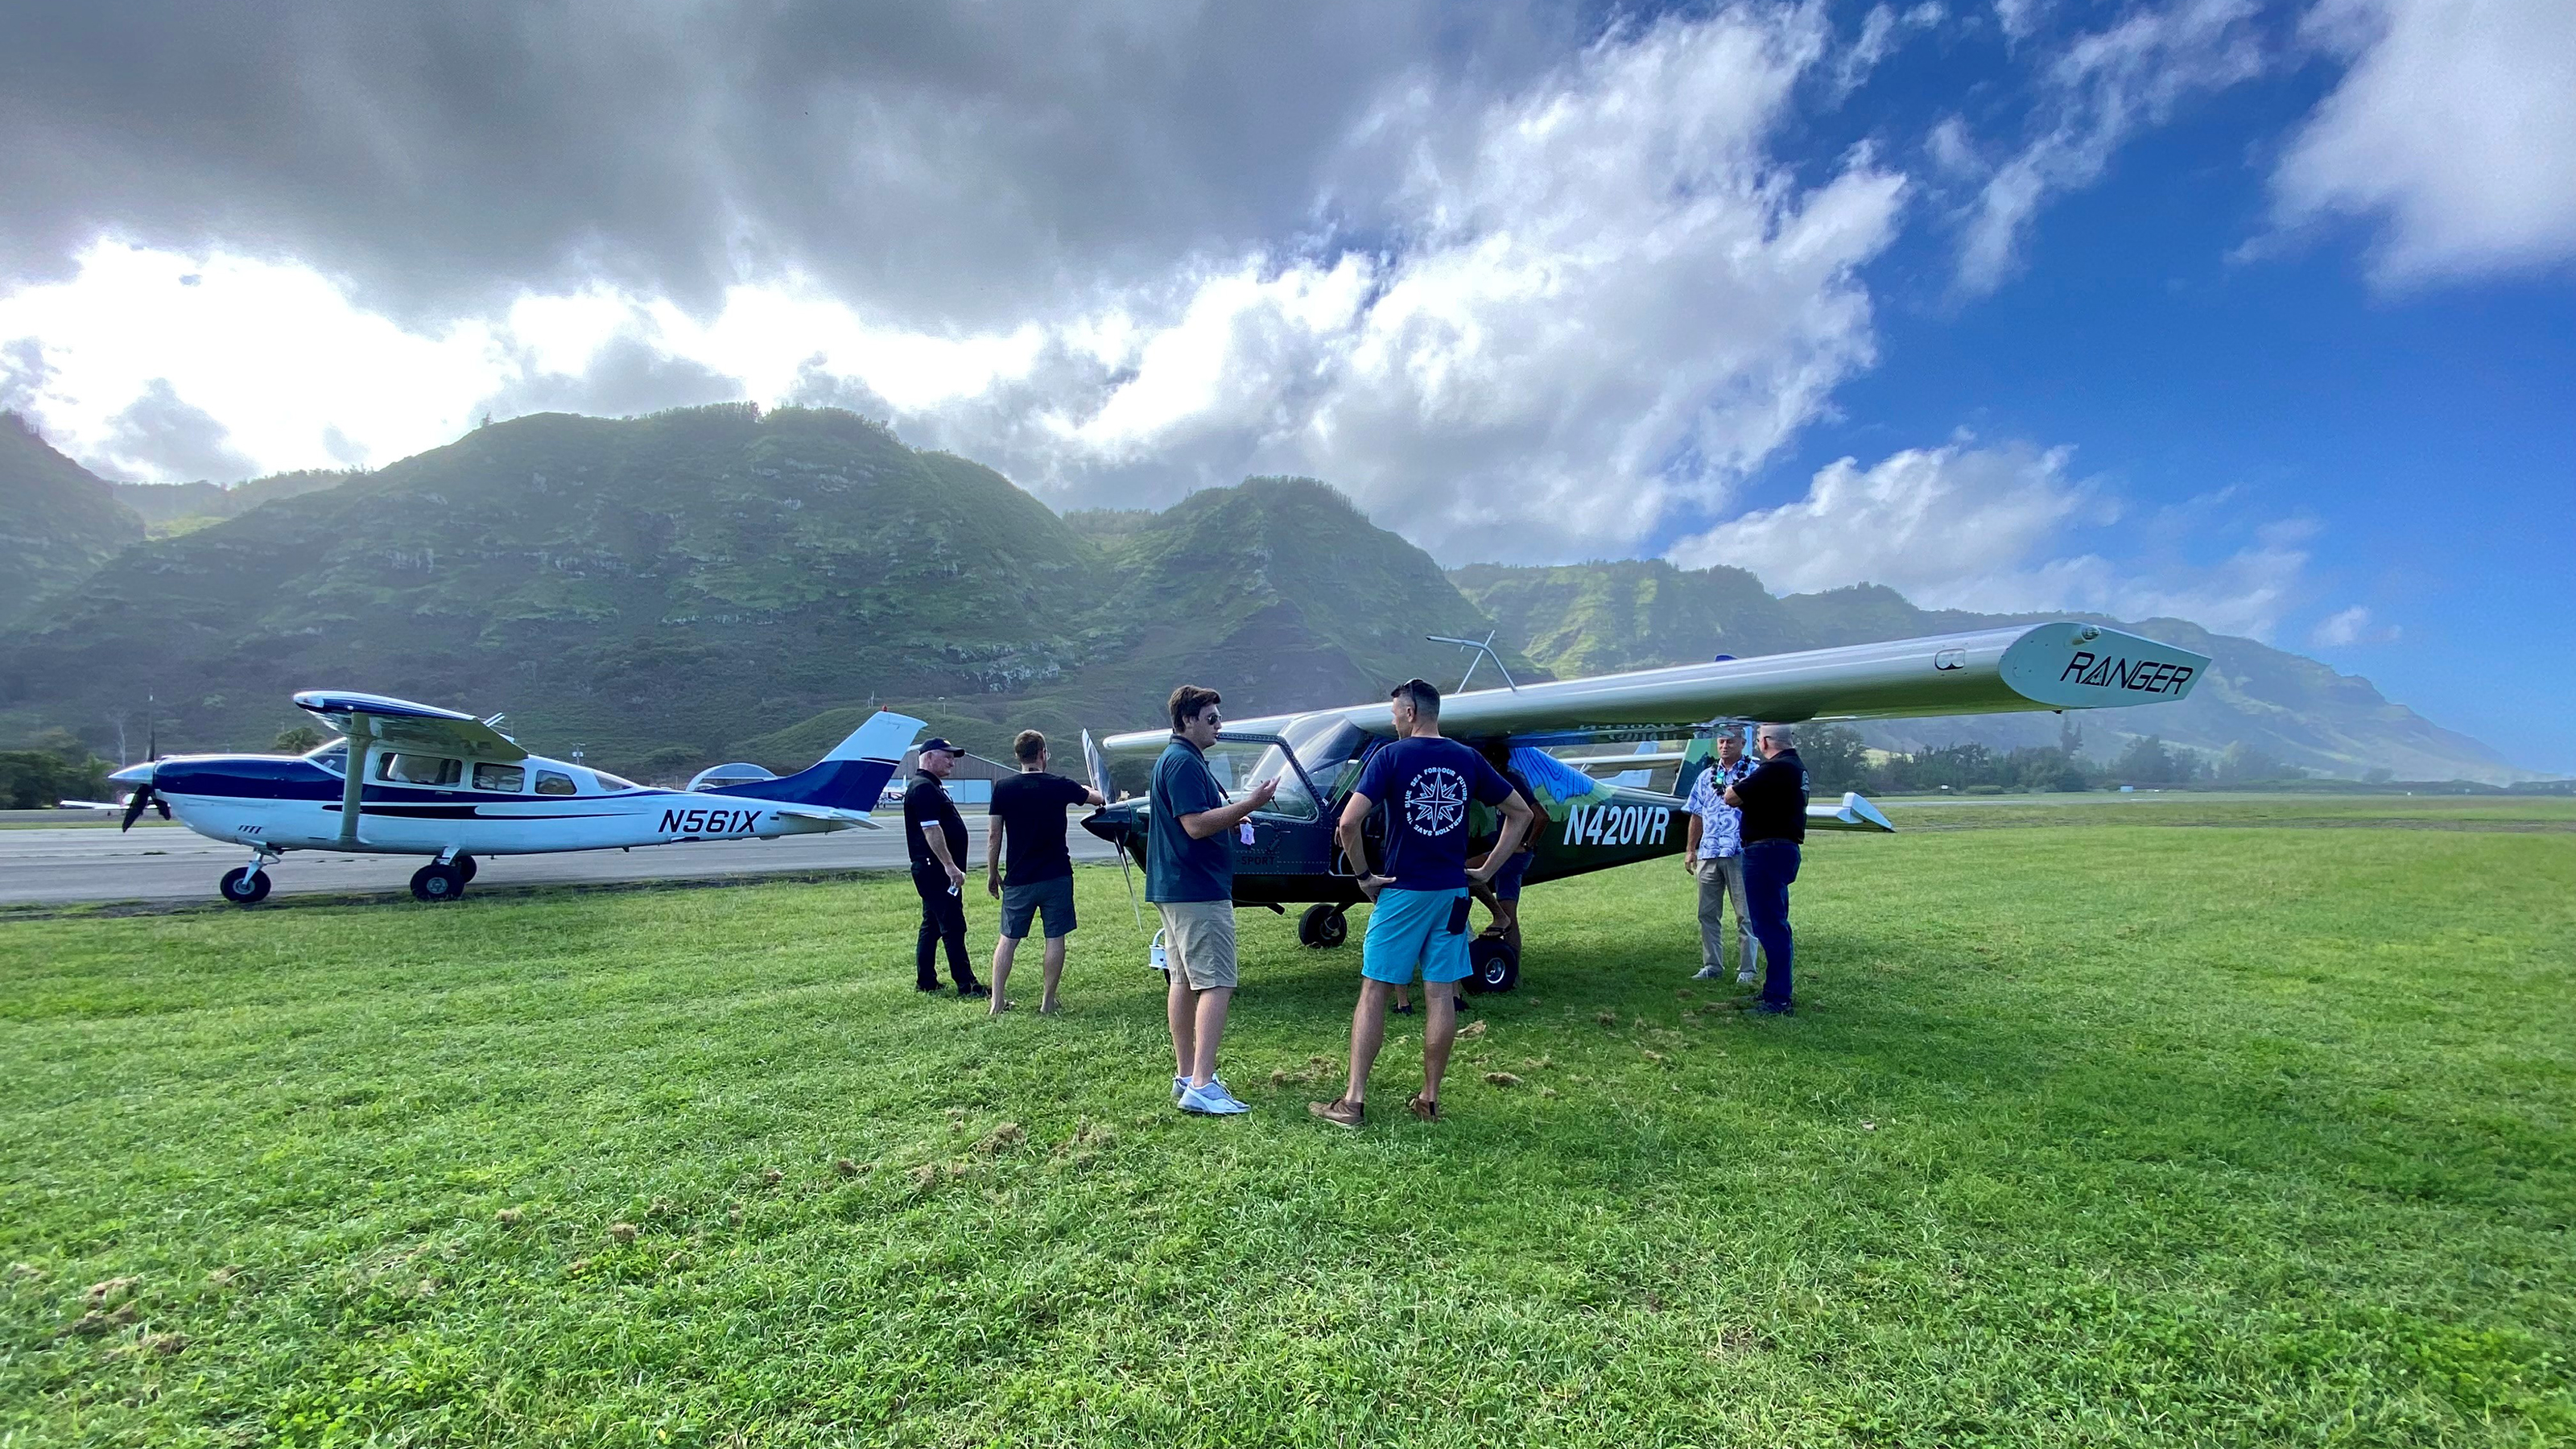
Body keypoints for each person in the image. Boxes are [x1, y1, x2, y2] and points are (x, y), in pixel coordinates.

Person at [1311, 679, 1534, 1129]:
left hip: (1403, 892)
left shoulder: (1390, 757)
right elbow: (1522, 813)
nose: (1393, 719)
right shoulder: (1467, 758)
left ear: (1411, 713)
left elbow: (1349, 822)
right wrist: (1487, 870)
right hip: (1452, 893)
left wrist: (1363, 876)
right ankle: (1429, 1100)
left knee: (1375, 990)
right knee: (1440, 995)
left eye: (1395, 712)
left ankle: (1353, 1102)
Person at [1149, 685, 1276, 1116]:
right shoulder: (1183, 762)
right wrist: (1250, 804)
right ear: (1187, 720)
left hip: (1179, 887)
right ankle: (1203, 1083)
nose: (1218, 725)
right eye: (1211, 718)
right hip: (1197, 890)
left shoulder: (1179, 759)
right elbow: (1196, 826)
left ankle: (1187, 1076)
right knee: (1217, 981)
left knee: (1184, 980)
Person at [985, 729, 1105, 1017]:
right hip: (1056, 874)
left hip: (1018, 876)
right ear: (1042, 753)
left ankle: (997, 1001)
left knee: (1008, 939)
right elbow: (1098, 798)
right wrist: (1085, 787)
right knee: (1055, 938)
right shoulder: (1060, 785)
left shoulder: (1003, 788)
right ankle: (1048, 1001)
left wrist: (992, 872)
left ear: (1018, 756)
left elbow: (994, 836)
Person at [1725, 724, 1809, 1015]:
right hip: (1782, 849)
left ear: (1766, 741)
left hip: (1766, 851)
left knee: (1769, 927)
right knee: (1775, 924)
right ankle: (1774, 991)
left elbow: (1731, 796)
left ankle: (1778, 1000)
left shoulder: (1775, 769)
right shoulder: (1795, 768)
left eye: (1759, 738)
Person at [904, 738, 989, 998]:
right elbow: (931, 830)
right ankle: (967, 983)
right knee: (953, 925)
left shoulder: (931, 786)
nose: (952, 762)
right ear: (929, 757)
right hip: (936, 870)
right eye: (947, 756)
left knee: (931, 924)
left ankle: (926, 979)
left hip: (934, 869)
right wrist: (950, 866)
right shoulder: (924, 789)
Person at [1682, 730, 1761, 986]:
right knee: (1707, 913)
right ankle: (1712, 965)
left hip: (1741, 851)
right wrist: (1690, 849)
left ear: (1743, 743)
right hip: (1709, 852)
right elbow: (1696, 814)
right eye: (1721, 742)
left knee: (1745, 914)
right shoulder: (1706, 776)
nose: (1725, 746)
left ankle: (1747, 969)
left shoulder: (1755, 772)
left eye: (1731, 741)